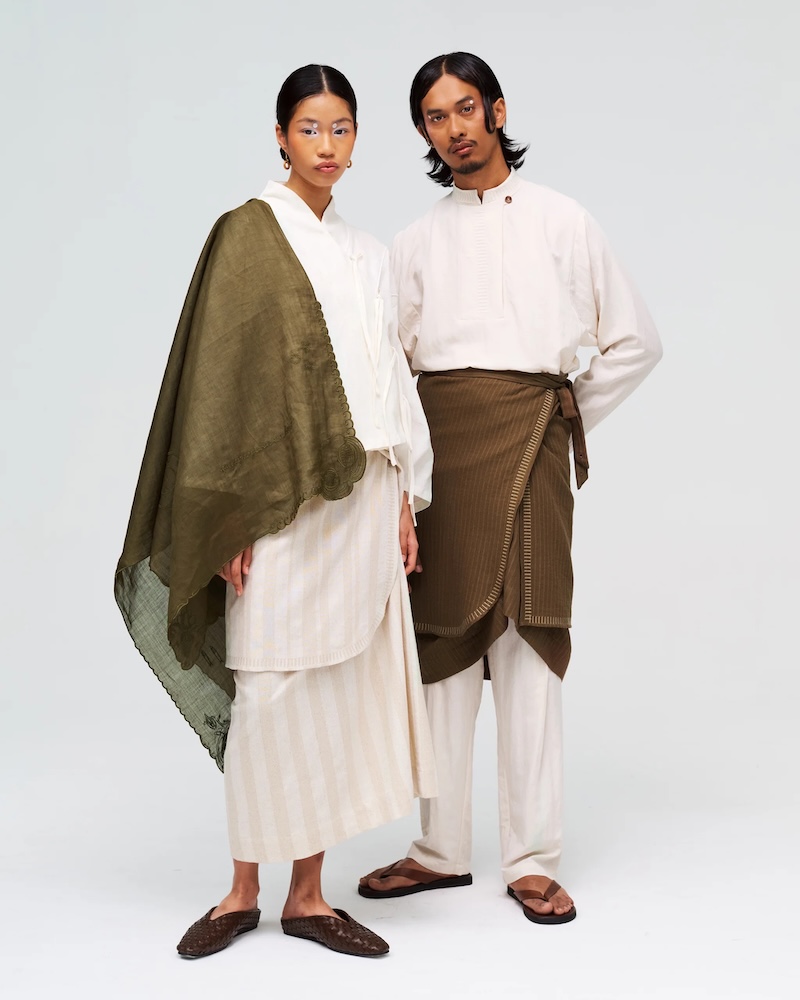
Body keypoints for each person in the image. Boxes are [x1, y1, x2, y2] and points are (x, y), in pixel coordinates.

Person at [115, 64, 437, 959]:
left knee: (336, 690)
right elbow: (223, 389)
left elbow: (390, 376)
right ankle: (240, 891)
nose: (326, 146)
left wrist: (404, 497)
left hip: (363, 498)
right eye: (309, 129)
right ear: (280, 135)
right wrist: (228, 517)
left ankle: (307, 895)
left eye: (341, 129)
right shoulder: (247, 234)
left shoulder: (369, 253)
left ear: (356, 139)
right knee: (268, 690)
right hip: (278, 504)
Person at [358, 52, 662, 924]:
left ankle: (532, 859)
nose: (453, 129)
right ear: (424, 133)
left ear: (496, 110)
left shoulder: (564, 220)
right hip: (439, 460)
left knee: (529, 641)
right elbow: (390, 375)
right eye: (434, 117)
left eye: (465, 109)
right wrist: (402, 479)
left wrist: (561, 421)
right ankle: (438, 850)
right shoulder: (414, 242)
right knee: (441, 651)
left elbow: (635, 340)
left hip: (533, 449)